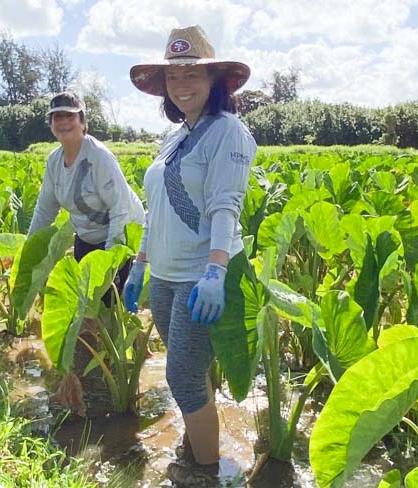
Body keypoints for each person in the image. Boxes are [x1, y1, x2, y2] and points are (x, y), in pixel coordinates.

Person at [123, 25, 256, 484]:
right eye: (173, 76)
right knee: (190, 369)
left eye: (192, 74)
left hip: (203, 273)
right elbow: (154, 210)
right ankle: (197, 440)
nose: (182, 84)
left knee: (180, 373)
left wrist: (216, 271)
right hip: (164, 272)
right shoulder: (174, 137)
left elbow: (225, 205)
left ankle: (202, 471)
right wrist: (140, 264)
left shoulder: (228, 132)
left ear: (215, 81)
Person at [28, 90, 145, 303]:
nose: (63, 122)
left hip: (121, 234)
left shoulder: (98, 156)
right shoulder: (54, 161)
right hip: (86, 235)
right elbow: (45, 210)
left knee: (112, 304)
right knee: (86, 304)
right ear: (51, 125)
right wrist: (28, 252)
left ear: (83, 122)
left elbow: (121, 209)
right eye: (57, 117)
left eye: (70, 116)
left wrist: (110, 260)